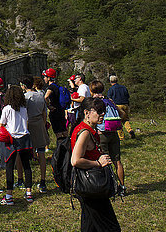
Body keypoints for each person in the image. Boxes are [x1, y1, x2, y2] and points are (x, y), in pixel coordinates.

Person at [70, 97, 121, 232]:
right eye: (99, 111)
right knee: (110, 226)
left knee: (90, 225)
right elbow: (75, 160)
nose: (102, 114)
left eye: (103, 111)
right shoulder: (85, 132)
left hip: (89, 185)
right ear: (87, 113)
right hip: (91, 185)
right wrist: (98, 163)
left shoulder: (87, 129)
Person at [0, 85, 34, 206]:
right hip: (25, 138)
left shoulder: (7, 108)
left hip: (12, 138)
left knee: (9, 166)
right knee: (26, 165)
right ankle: (29, 193)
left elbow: (2, 124)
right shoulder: (23, 108)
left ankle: (9, 195)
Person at [92, 80, 126, 197]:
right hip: (114, 133)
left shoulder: (96, 102)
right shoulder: (109, 100)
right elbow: (121, 114)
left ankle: (110, 186)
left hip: (102, 134)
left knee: (105, 161)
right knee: (117, 161)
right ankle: (122, 186)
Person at [21, 75, 48, 193]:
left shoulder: (25, 97)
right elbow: (44, 112)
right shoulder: (40, 95)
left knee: (25, 153)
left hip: (28, 123)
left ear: (23, 85)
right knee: (41, 152)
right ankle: (43, 181)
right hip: (39, 122)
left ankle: (24, 180)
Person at [43, 68, 67, 144]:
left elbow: (46, 97)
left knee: (58, 131)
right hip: (61, 110)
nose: (44, 79)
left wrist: (48, 106)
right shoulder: (58, 86)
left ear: (49, 78)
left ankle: (60, 148)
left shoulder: (51, 87)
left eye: (45, 77)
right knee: (64, 129)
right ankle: (67, 146)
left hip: (54, 111)